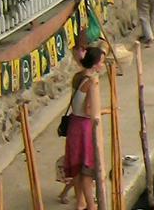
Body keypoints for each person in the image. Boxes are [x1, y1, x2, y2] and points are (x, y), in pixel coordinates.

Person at [64, 47, 104, 210]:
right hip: (85, 127)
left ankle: (81, 202)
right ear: (95, 64)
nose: (102, 65)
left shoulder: (77, 77)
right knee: (87, 168)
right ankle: (90, 205)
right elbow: (89, 110)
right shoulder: (92, 82)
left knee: (78, 167)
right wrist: (104, 110)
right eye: (101, 62)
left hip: (74, 123)